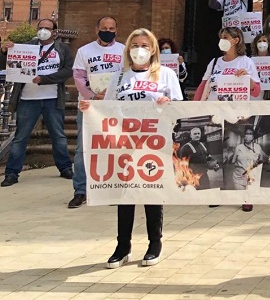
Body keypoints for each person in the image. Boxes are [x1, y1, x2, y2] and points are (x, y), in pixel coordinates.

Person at [80, 28, 182, 268]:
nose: (140, 50)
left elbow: (179, 108)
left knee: (151, 192)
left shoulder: (165, 75)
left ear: (153, 49)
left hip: (154, 143)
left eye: (145, 45)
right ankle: (122, 245)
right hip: (125, 143)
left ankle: (154, 243)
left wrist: (167, 103)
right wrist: (89, 109)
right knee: (124, 194)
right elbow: (107, 109)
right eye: (135, 45)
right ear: (128, 50)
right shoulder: (118, 77)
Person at [194, 27, 261, 211]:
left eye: (225, 37)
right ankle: (217, 193)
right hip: (215, 115)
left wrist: (246, 78)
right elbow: (203, 86)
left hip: (238, 116)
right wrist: (193, 107)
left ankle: (246, 196)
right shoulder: (215, 62)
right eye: (220, 37)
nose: (221, 40)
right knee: (216, 155)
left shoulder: (246, 62)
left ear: (236, 40)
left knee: (242, 158)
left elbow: (256, 90)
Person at [0, 19, 74, 187]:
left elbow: (67, 71)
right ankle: (12, 173)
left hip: (53, 98)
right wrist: (5, 52)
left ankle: (65, 168)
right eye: (40, 28)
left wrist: (45, 79)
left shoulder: (62, 49)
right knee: (20, 137)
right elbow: (10, 66)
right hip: (27, 98)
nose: (43, 31)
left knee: (58, 136)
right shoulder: (25, 46)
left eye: (47, 28)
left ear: (55, 31)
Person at [69, 16, 125, 207]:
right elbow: (78, 77)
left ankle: (111, 189)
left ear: (116, 30)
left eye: (111, 28)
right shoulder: (84, 51)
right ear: (96, 29)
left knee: (114, 147)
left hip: (114, 106)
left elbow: (127, 76)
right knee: (82, 149)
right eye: (104, 27)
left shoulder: (124, 51)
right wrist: (93, 96)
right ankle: (80, 190)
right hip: (89, 106)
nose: (107, 31)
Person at [227, 127, 266, 191]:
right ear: (244, 136)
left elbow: (261, 161)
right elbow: (233, 161)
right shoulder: (239, 147)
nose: (248, 136)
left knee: (250, 198)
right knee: (240, 197)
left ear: (253, 136)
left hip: (252, 178)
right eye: (246, 134)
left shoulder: (257, 147)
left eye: (250, 134)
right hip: (239, 178)